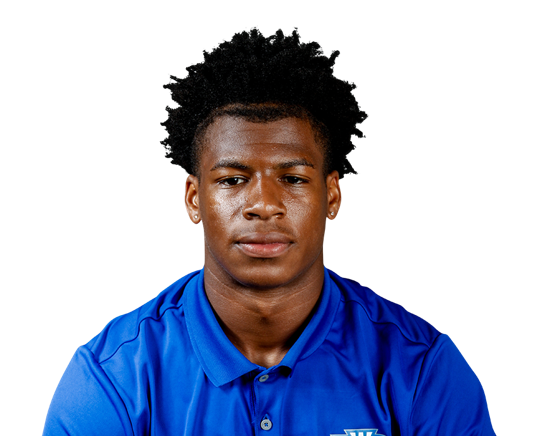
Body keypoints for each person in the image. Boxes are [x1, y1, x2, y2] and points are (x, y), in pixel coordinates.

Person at [43, 26, 494, 435]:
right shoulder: (112, 378)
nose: (263, 204)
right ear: (194, 199)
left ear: (332, 195)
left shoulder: (422, 369)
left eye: (293, 178)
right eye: (232, 180)